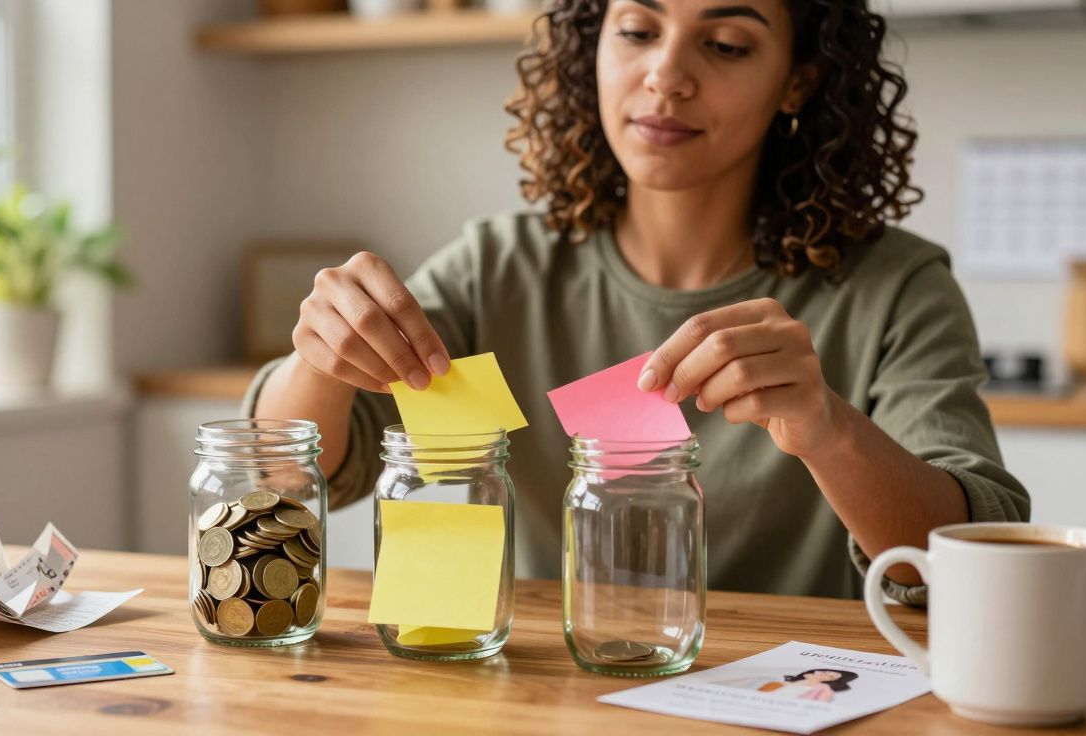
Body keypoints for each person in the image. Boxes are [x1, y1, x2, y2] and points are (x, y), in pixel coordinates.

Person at [244, 0, 1029, 605]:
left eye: (725, 45)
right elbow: (280, 477)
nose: (666, 76)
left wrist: (826, 428)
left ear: (800, 78)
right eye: (637, 31)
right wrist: (321, 360)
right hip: (554, 693)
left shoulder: (895, 288)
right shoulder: (501, 269)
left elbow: (972, 553)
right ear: (594, 48)